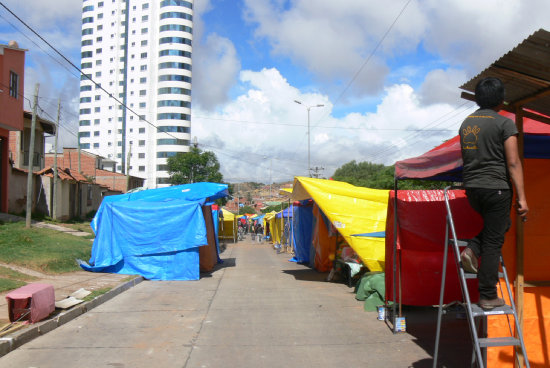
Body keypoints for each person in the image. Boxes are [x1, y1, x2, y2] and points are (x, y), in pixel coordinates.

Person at [459, 77, 529, 310]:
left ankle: (472, 248)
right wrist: (522, 198)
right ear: (501, 99)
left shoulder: (467, 123)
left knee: (498, 227)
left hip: (473, 189)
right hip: (496, 188)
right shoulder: (504, 123)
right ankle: (488, 295)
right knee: (493, 241)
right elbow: (513, 163)